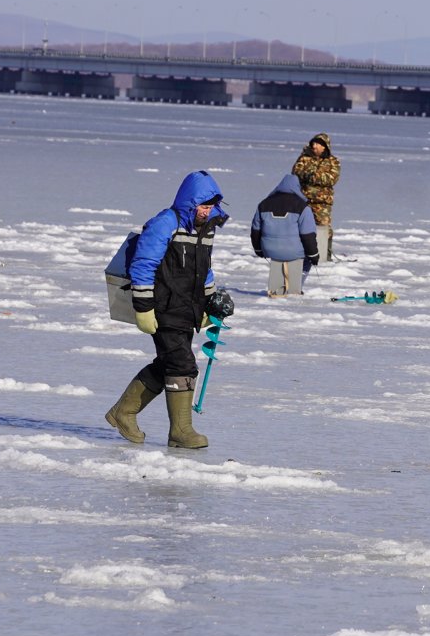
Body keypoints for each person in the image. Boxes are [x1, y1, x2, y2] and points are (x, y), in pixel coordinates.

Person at [105, 170, 234, 449]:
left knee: (168, 364)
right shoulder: (166, 223)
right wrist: (143, 307)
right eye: (203, 205)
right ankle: (181, 432)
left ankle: (123, 412)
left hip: (187, 308)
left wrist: (211, 301)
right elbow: (143, 265)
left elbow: (204, 270)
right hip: (162, 306)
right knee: (182, 365)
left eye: (211, 205)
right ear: (190, 201)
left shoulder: (204, 229)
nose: (207, 210)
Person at [251, 173, 320, 296]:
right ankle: (295, 288)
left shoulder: (263, 204)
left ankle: (277, 289)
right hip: (294, 251)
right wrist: (313, 255)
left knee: (279, 257)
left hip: (270, 250)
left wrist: (258, 249)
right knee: (306, 259)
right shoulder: (303, 207)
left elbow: (255, 230)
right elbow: (308, 235)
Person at [292, 132, 341, 260]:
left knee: (324, 227)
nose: (314, 146)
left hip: (322, 202)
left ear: (324, 146)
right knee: (299, 226)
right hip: (303, 200)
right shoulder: (304, 159)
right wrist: (309, 175)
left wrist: (312, 176)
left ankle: (325, 255)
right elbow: (296, 173)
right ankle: (299, 254)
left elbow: (331, 179)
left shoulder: (333, 161)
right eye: (313, 143)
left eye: (318, 144)